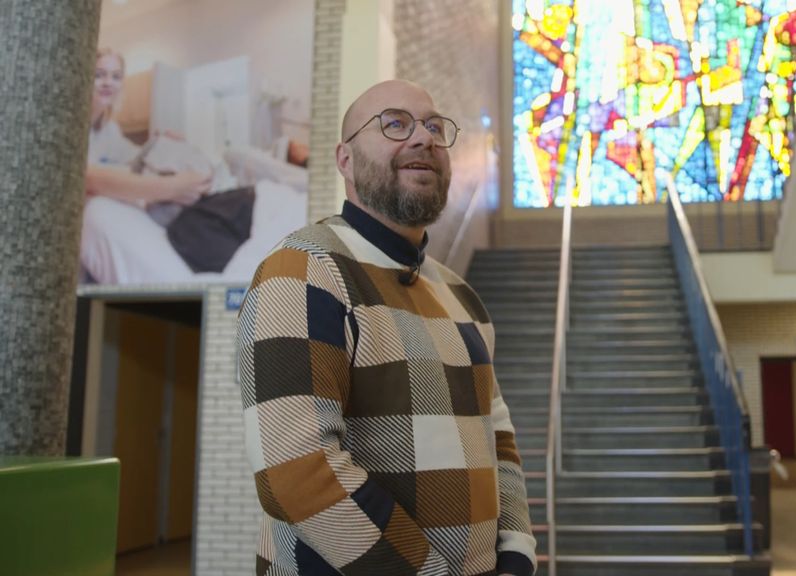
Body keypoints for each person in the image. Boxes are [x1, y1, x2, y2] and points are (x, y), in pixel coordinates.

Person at [237, 80, 536, 576]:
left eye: (434, 126)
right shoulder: (303, 270)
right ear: (345, 159)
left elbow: (497, 436)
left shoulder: (462, 296)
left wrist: (516, 550)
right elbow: (295, 470)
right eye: (395, 123)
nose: (424, 138)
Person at [84, 48, 212, 207]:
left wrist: (158, 142)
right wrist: (172, 188)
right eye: (99, 75)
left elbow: (134, 157)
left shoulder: (109, 130)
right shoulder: (71, 124)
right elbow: (87, 177)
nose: (108, 83)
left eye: (116, 76)